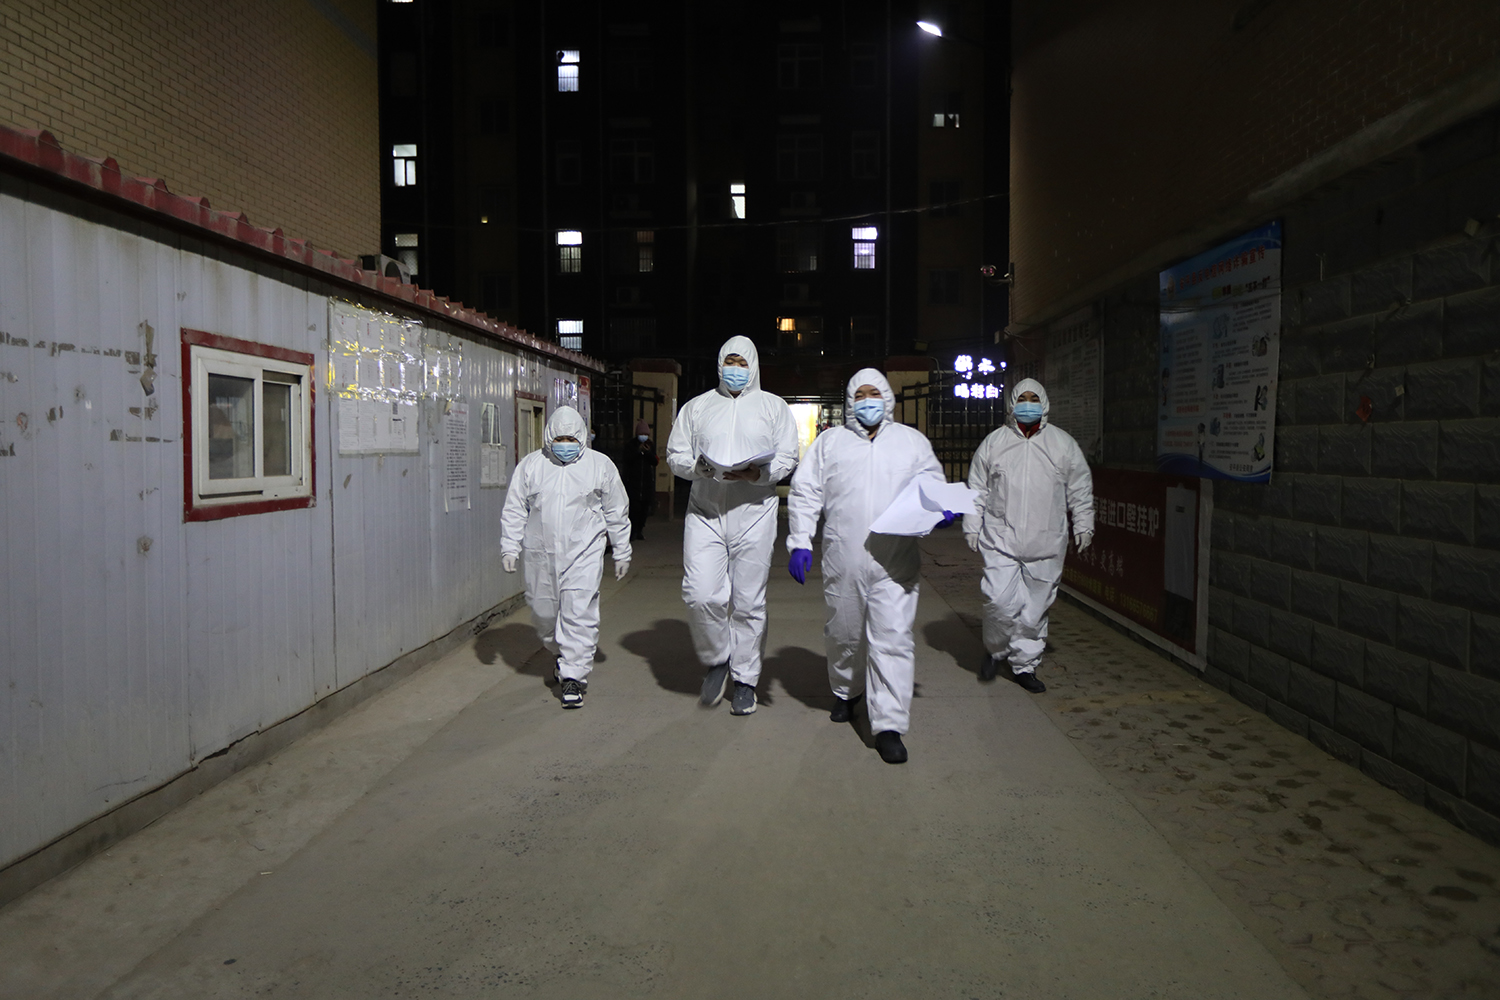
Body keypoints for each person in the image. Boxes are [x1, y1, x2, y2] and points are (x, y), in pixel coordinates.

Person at [786, 368, 947, 764]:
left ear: (887, 398)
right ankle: (847, 690)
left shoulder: (911, 442)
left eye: (874, 393)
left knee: (892, 640)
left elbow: (932, 484)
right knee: (844, 634)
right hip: (845, 558)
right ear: (849, 401)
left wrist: (941, 507)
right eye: (860, 395)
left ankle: (889, 725)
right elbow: (805, 492)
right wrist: (800, 541)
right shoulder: (831, 443)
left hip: (896, 561)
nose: (867, 401)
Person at [666, 336, 798, 716]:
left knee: (749, 602)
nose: (735, 369)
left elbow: (788, 455)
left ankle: (745, 681)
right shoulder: (698, 407)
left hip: (754, 512)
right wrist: (696, 467)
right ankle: (718, 657)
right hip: (705, 510)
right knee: (700, 594)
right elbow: (675, 453)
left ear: (753, 365)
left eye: (742, 363)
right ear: (720, 364)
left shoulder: (773, 407)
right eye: (730, 362)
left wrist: (760, 474)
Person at [965, 378, 1094, 693]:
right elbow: (977, 487)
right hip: (1000, 538)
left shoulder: (1062, 444)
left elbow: (1080, 486)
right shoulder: (994, 442)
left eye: (1033, 399)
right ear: (1012, 403)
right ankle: (996, 649)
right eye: (1021, 398)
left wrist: (1084, 522)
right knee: (998, 601)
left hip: (1046, 540)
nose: (1027, 404)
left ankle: (1025, 666)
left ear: (1044, 403)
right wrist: (972, 523)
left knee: (1034, 610)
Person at [501, 405, 632, 709]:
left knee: (578, 613)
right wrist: (510, 545)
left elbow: (616, 510)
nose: (565, 444)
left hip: (584, 553)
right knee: (544, 616)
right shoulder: (532, 466)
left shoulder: (600, 466)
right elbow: (515, 508)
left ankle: (574, 676)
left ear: (582, 437)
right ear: (549, 437)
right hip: (540, 553)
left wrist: (622, 549)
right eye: (559, 439)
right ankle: (561, 655)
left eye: (571, 439)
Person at [621, 417, 659, 541]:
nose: (644, 436)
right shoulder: (631, 445)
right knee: (634, 509)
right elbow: (627, 459)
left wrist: (647, 453)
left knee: (644, 510)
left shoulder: (650, 445)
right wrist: (638, 452)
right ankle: (632, 531)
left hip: (646, 483)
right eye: (641, 434)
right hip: (634, 482)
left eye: (645, 434)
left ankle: (640, 530)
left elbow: (655, 461)